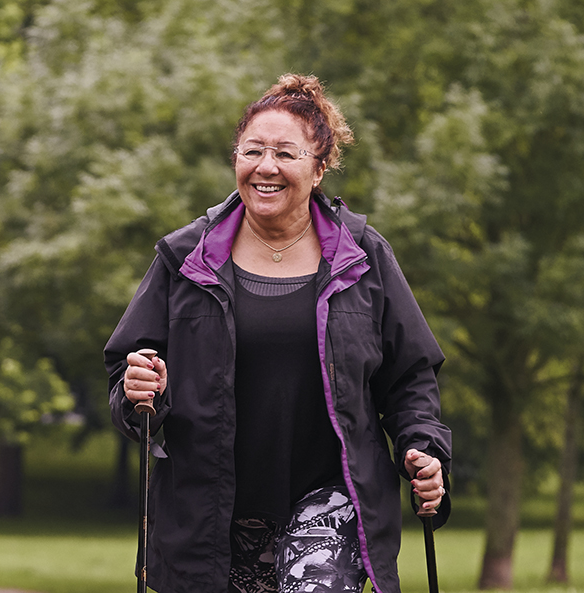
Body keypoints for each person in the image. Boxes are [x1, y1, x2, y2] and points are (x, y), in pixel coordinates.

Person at [105, 74, 451, 593]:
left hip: (331, 494)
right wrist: (141, 391)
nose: (266, 167)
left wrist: (423, 448)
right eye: (253, 151)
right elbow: (128, 374)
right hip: (212, 508)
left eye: (286, 154)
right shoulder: (185, 259)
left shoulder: (362, 257)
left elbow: (410, 377)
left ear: (319, 167)